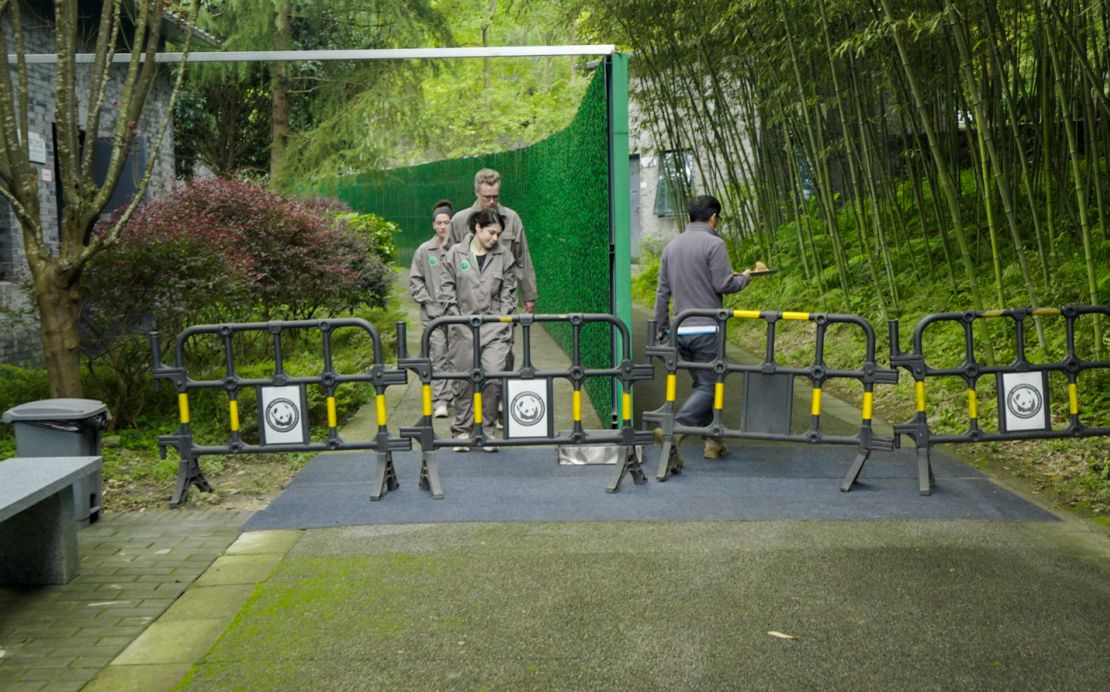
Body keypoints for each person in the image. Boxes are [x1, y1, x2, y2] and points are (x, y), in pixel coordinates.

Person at [653, 194, 758, 462]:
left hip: (680, 329)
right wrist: (745, 278)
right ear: (714, 218)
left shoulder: (672, 246)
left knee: (703, 383)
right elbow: (724, 284)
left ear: (688, 217)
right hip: (707, 330)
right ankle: (675, 429)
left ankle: (713, 441)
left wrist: (662, 329)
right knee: (710, 386)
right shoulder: (714, 244)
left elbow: (662, 293)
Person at [439, 207, 516, 452]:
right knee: (463, 379)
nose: (495, 238)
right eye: (491, 233)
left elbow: (509, 293)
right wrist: (455, 319)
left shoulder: (504, 256)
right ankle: (462, 430)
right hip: (462, 327)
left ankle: (488, 431)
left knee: (493, 376)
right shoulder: (454, 254)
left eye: (498, 234)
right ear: (478, 228)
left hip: (493, 329)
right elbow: (446, 289)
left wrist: (504, 321)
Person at [448, 168, 537, 313]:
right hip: (467, 303)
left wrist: (529, 295)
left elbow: (523, 259)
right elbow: (446, 264)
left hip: (503, 301)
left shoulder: (512, 219)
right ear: (477, 192)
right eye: (486, 197)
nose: (491, 201)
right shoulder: (459, 221)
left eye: (495, 197)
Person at [409, 200, 455, 418]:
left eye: (447, 222)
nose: (443, 226)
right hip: (432, 316)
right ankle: (441, 400)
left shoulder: (460, 250)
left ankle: (458, 393)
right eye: (440, 222)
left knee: (457, 355)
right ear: (433, 225)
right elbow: (415, 282)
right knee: (438, 354)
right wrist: (428, 302)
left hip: (456, 314)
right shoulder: (424, 251)